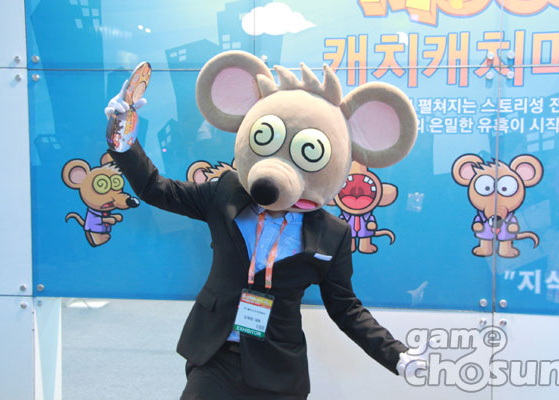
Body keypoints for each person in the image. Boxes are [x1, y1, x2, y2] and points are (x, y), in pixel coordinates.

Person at [105, 50, 426, 399]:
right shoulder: (226, 193)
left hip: (277, 366)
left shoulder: (332, 235)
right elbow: (156, 188)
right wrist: (124, 134)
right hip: (215, 353)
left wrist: (395, 354)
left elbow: (346, 308)